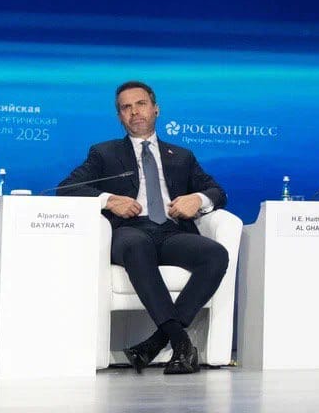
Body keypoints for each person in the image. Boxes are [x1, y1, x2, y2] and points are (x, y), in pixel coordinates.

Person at [58, 81, 229, 374]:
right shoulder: (104, 153)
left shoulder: (182, 156)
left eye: (141, 104)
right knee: (138, 246)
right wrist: (109, 200)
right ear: (119, 117)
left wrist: (197, 199)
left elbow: (217, 192)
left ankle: (154, 343)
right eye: (126, 108)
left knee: (216, 254)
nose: (134, 112)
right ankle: (180, 342)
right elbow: (66, 188)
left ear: (155, 109)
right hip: (130, 231)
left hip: (172, 232)